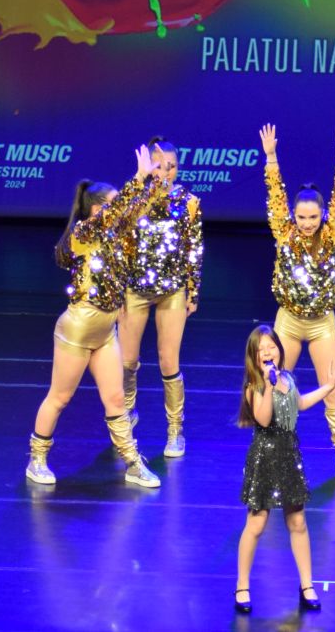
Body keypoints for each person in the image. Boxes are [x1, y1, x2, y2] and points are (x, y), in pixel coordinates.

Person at [25, 145, 164, 488]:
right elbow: (120, 209)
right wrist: (138, 178)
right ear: (99, 208)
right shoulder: (83, 233)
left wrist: (154, 181)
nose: (120, 208)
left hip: (105, 332)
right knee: (60, 397)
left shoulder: (115, 234)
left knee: (116, 399)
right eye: (113, 203)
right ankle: (36, 460)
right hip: (77, 329)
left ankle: (132, 463)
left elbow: (136, 208)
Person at [257, 122, 335, 481]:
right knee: (275, 390)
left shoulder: (332, 234)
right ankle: (272, 457)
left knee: (333, 389)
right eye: (301, 217)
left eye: (313, 217)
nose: (306, 223)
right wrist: (271, 156)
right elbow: (274, 192)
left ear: (323, 215)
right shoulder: (283, 232)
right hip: (287, 322)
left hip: (321, 325)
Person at [234, 325, 335, 614]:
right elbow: (264, 419)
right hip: (265, 458)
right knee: (256, 524)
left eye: (271, 346)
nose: (268, 352)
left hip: (289, 456)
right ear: (254, 357)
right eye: (261, 349)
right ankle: (242, 585)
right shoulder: (254, 386)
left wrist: (327, 388)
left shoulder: (287, 378)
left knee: (298, 522)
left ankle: (306, 585)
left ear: (279, 349)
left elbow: (298, 404)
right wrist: (268, 386)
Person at [117, 137, 203, 458]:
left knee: (169, 360)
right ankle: (125, 418)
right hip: (135, 288)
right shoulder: (134, 199)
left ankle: (175, 429)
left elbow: (194, 248)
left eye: (172, 166)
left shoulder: (189, 202)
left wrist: (193, 290)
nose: (165, 172)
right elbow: (119, 239)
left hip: (172, 290)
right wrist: (117, 289)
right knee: (127, 361)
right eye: (159, 166)